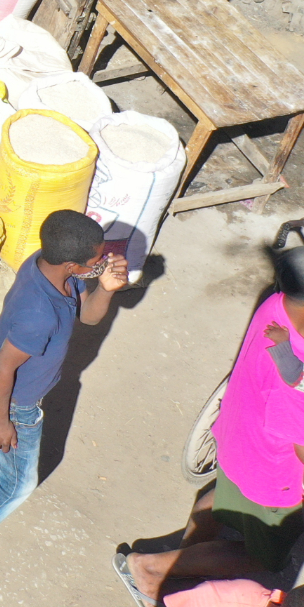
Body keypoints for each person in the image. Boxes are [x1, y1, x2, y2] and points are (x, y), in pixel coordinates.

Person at [0, 210, 128, 589]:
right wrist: (2, 420)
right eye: (97, 259)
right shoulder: (39, 313)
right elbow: (4, 371)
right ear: (72, 264)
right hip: (13, 397)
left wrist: (106, 289)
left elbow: (90, 318)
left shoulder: (47, 267)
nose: (102, 262)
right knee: (13, 484)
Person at [120, 251, 304, 603]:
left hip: (239, 432)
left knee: (224, 493)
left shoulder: (277, 307)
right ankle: (150, 569)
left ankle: (188, 555)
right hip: (274, 473)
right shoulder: (296, 379)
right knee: (261, 556)